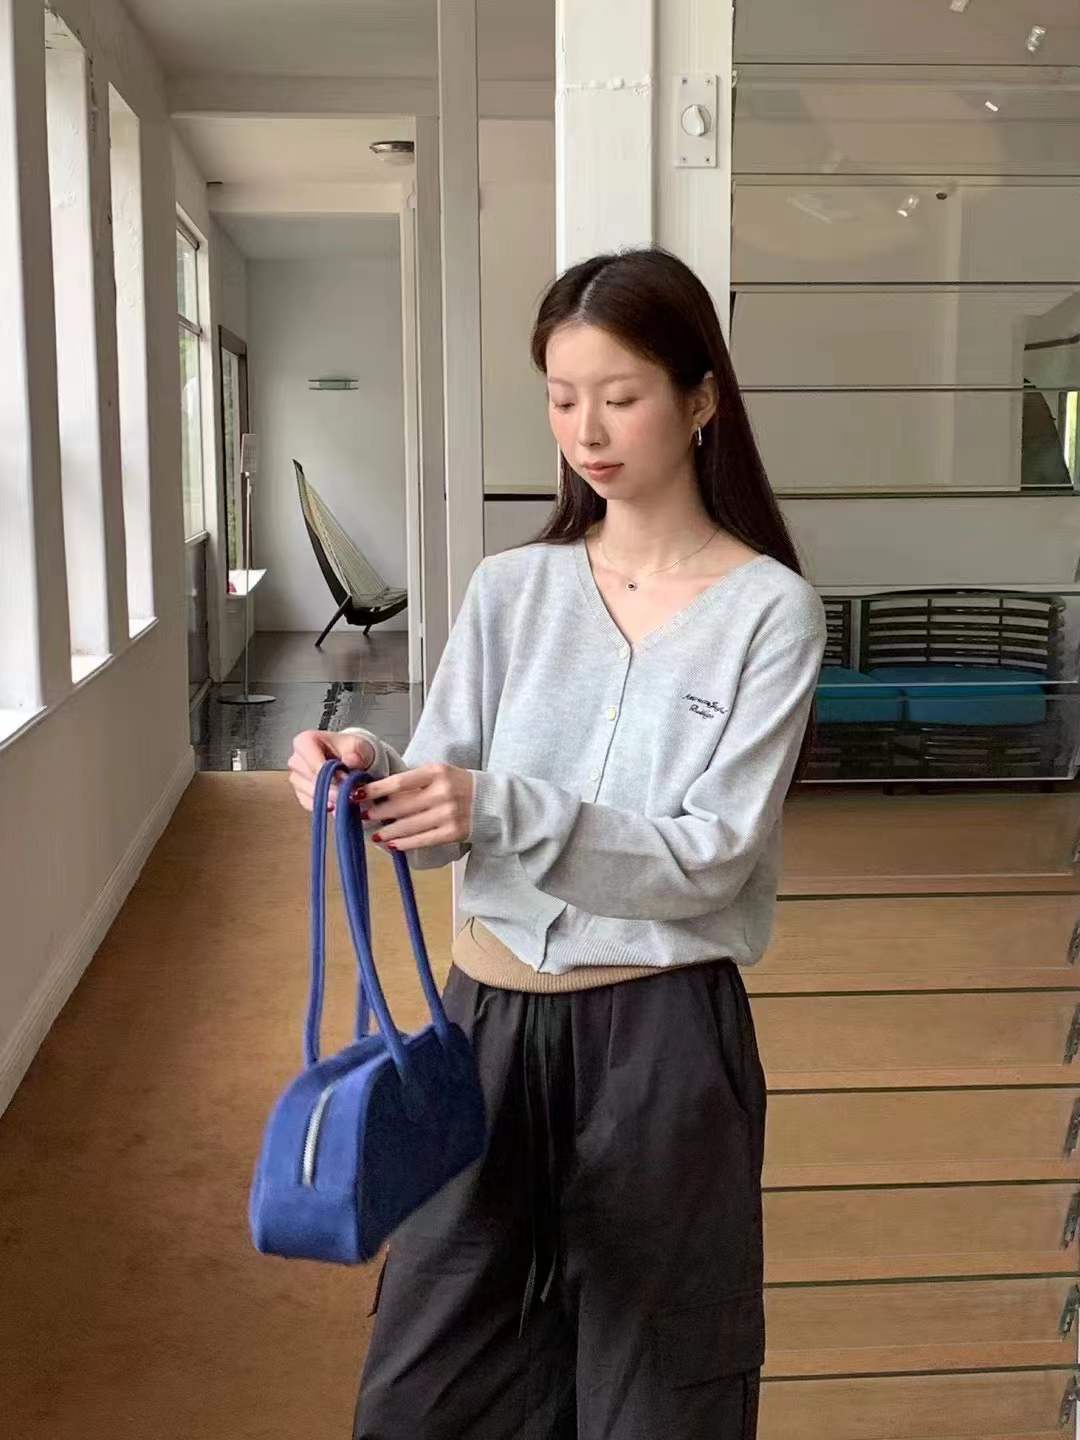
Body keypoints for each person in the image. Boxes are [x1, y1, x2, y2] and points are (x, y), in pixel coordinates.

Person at [287, 247, 826, 1440]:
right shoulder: (510, 589)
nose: (587, 431)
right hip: (481, 1022)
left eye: (620, 397)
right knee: (427, 1385)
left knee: (660, 1389)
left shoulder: (769, 612)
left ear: (700, 398)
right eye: (562, 397)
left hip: (663, 1037)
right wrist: (370, 772)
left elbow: (712, 858)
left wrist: (495, 807)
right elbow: (445, 817)